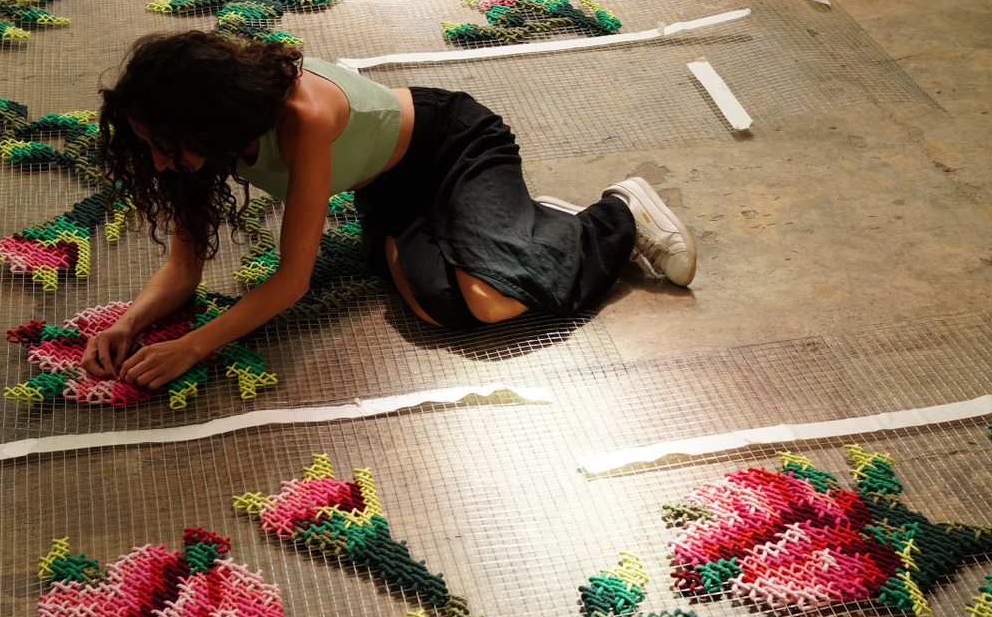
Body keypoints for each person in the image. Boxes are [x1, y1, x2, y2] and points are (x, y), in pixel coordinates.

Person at [82, 30, 696, 391]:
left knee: (491, 300)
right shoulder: (201, 146)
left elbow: (292, 281)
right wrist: (126, 325)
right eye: (147, 145)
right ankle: (520, 231)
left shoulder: (302, 116)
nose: (157, 161)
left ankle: (613, 215)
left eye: (164, 144)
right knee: (442, 309)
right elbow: (183, 269)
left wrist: (192, 347)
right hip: (388, 191)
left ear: (208, 118)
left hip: (453, 147)